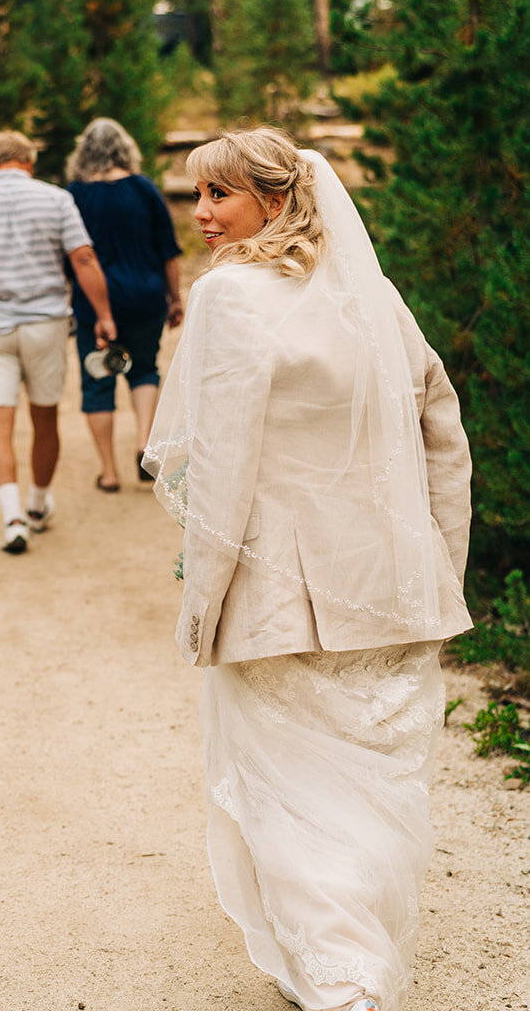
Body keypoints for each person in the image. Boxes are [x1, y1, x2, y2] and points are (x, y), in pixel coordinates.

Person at [143, 127, 473, 1011]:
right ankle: (350, 957)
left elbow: (220, 464)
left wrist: (202, 599)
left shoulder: (228, 302)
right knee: (370, 778)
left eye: (218, 195)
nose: (200, 215)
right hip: (391, 584)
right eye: (194, 197)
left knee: (289, 785)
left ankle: (343, 978)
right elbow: (441, 421)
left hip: (280, 590)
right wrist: (439, 559)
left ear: (277, 199)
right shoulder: (370, 296)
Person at [0, 130, 117, 553]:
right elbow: (83, 257)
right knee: (44, 418)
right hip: (45, 322)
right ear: (29, 162)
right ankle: (37, 504)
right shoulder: (56, 198)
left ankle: (12, 518)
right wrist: (105, 316)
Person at [65, 117, 184, 492]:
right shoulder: (144, 189)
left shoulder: (74, 195)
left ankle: (109, 472)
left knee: (97, 379)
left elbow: (69, 255)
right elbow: (168, 251)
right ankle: (144, 443)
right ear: (125, 148)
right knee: (144, 369)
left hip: (93, 302)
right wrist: (175, 297)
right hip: (145, 296)